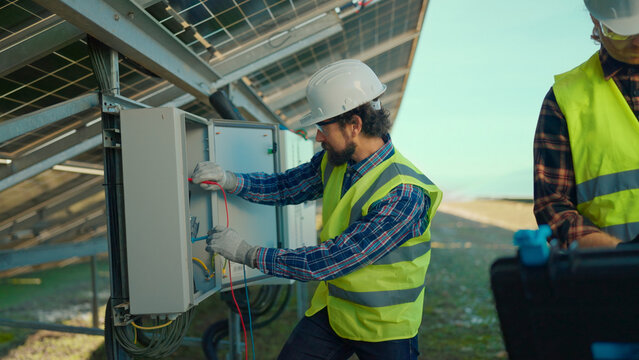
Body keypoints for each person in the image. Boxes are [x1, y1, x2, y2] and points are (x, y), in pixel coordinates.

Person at [192, 59, 442, 360]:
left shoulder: (404, 193)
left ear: (354, 126)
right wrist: (230, 180)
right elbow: (286, 186)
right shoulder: (336, 162)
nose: (318, 137)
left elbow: (333, 260)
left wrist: (248, 253)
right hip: (335, 312)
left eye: (323, 128)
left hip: (385, 328)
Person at [534, 0, 639, 248]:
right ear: (595, 19)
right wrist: (620, 255)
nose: (637, 41)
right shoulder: (565, 99)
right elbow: (552, 207)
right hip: (611, 278)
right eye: (623, 31)